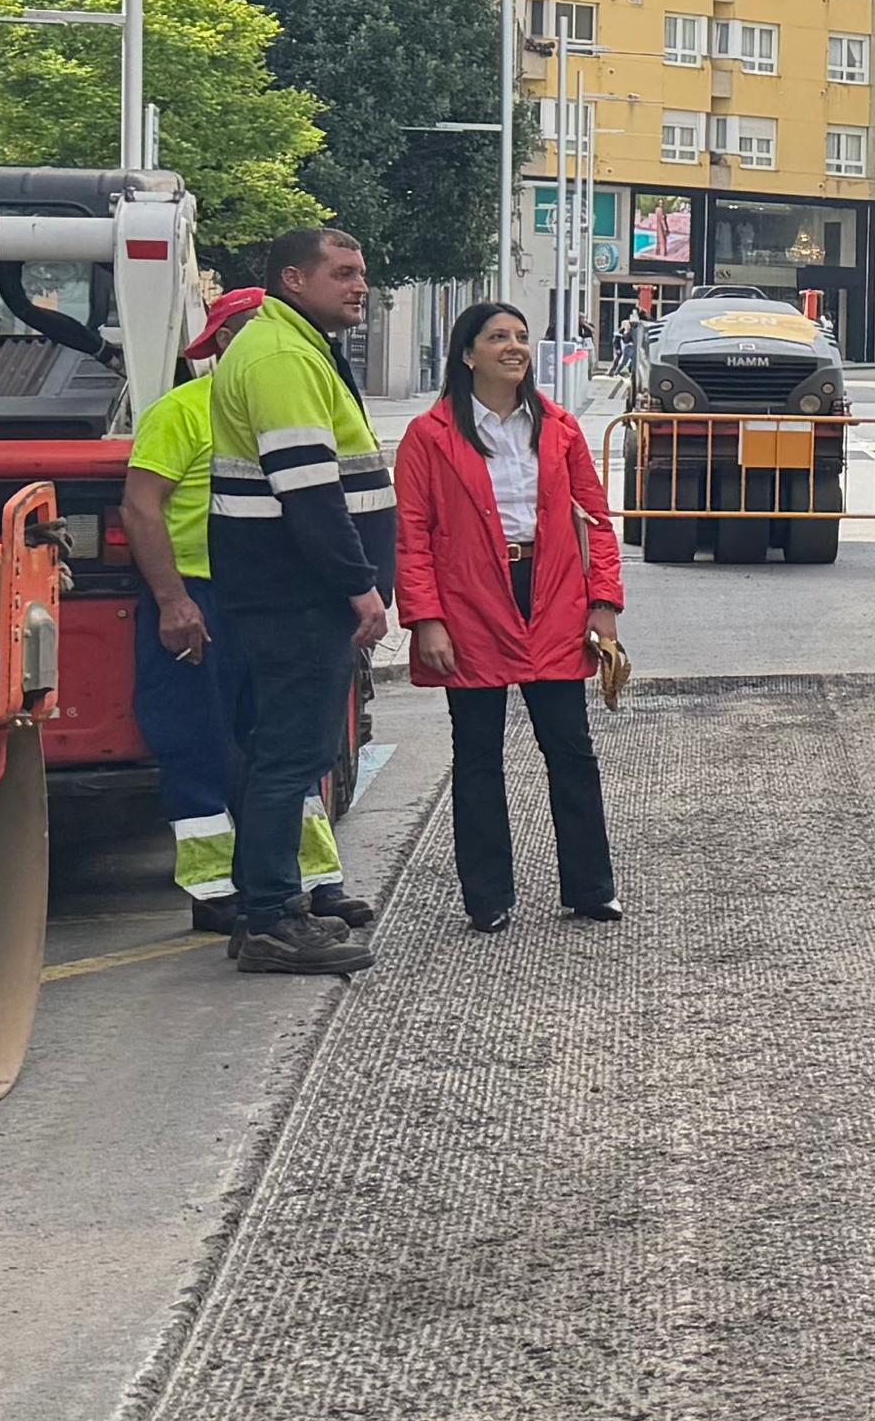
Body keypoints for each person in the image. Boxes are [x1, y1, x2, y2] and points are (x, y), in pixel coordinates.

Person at [118, 288, 350, 930]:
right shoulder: (181, 412)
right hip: (202, 601)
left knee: (291, 747)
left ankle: (312, 881)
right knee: (197, 744)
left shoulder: (300, 407)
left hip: (277, 598)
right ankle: (216, 891)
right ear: (224, 344)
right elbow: (141, 508)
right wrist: (172, 601)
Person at [395, 301, 627, 932]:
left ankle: (591, 888)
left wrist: (603, 603)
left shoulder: (559, 428)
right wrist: (426, 619)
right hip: (469, 603)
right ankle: (488, 897)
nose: (514, 346)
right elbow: (412, 535)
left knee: (571, 749)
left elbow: (596, 521)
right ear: (468, 354)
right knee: (477, 755)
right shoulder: (429, 436)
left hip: (552, 596)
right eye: (498, 337)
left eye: (521, 336)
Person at [206, 225, 399, 979]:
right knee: (291, 756)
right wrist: (358, 585)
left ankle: (266, 905)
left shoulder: (291, 345)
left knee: (281, 752)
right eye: (343, 272)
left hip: (283, 589)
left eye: (361, 272)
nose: (360, 286)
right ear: (293, 278)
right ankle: (272, 919)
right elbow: (309, 491)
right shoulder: (283, 355)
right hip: (298, 593)